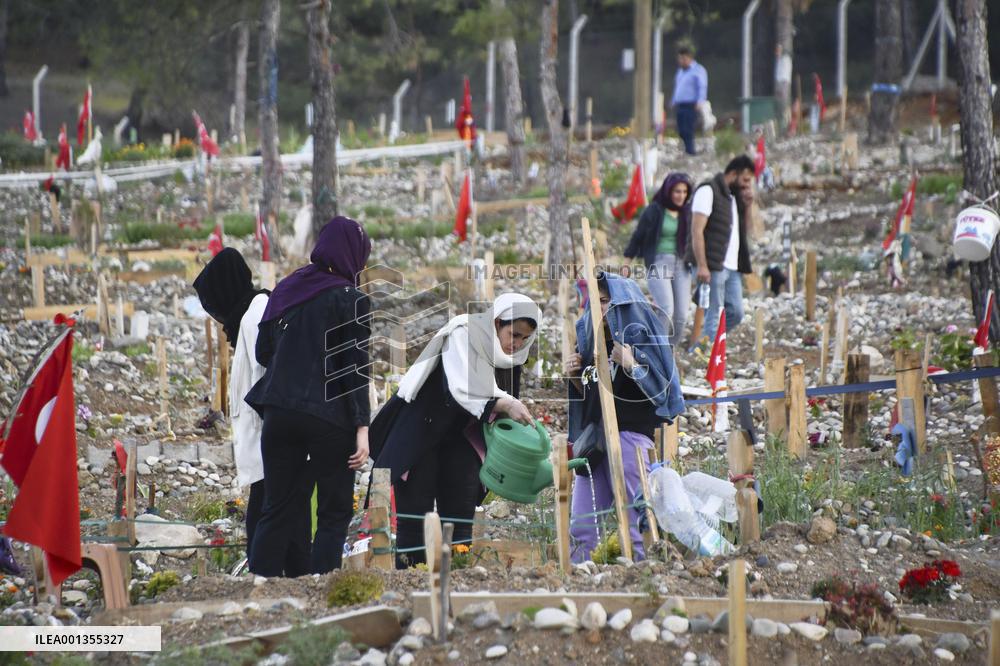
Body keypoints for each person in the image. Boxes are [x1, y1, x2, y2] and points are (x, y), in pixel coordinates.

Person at [370, 294, 540, 569]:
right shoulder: (464, 333)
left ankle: (458, 584)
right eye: (513, 334)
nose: (517, 344)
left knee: (460, 520)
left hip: (462, 442)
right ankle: (411, 587)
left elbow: (501, 413)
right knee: (415, 522)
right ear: (496, 323)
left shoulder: (512, 358)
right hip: (421, 435)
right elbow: (461, 388)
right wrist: (504, 403)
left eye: (524, 339)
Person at [245, 217, 372, 576]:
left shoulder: (287, 289)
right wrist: (362, 428)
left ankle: (261, 586)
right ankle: (320, 585)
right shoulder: (351, 299)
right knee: (333, 512)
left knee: (278, 506)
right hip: (328, 419)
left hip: (279, 413)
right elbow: (354, 368)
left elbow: (263, 352)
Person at [564, 274, 685, 563]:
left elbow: (661, 390)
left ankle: (644, 572)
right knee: (582, 521)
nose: (599, 307)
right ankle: (580, 576)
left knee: (636, 514)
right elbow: (593, 397)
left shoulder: (637, 340)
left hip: (630, 436)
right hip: (595, 443)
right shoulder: (593, 347)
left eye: (605, 300)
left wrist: (630, 363)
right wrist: (575, 376)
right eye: (594, 301)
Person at [192, 248, 291, 570]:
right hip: (262, 438)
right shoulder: (248, 315)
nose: (216, 316)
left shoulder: (255, 313)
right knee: (264, 513)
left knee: (266, 516)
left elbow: (269, 372)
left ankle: (266, 575)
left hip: (269, 437)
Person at [686, 155, 755, 345]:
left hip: (732, 267)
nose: (747, 185)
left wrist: (748, 205)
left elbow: (748, 230)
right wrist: (702, 265)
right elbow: (696, 230)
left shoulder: (734, 198)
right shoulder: (708, 191)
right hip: (711, 265)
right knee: (713, 313)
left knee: (736, 312)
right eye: (745, 180)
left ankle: (703, 347)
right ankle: (708, 358)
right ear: (733, 174)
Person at [624, 172, 694, 346]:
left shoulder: (687, 212)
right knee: (666, 309)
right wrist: (626, 262)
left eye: (685, 192)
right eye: (677, 191)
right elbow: (638, 236)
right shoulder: (655, 210)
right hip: (659, 263)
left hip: (682, 264)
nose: (681, 196)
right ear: (669, 191)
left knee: (681, 316)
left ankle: (668, 351)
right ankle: (656, 351)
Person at [670, 45, 708, 155]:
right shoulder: (680, 72)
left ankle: (691, 151)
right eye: (679, 59)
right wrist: (674, 100)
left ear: (689, 57)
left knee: (688, 129)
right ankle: (686, 150)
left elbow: (702, 86)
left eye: (683, 59)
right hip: (680, 105)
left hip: (691, 104)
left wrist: (700, 101)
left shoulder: (698, 70)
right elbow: (678, 87)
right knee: (681, 130)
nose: (681, 61)